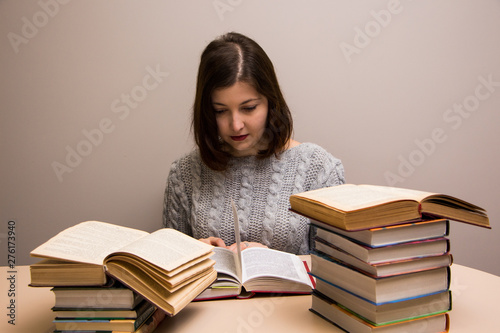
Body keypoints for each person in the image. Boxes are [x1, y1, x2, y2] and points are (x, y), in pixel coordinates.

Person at [163, 32, 345, 255]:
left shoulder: (319, 170)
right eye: (220, 111)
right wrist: (190, 254)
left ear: (271, 102)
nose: (236, 125)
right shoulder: (184, 174)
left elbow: (337, 273)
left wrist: (277, 262)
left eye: (248, 108)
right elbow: (167, 275)